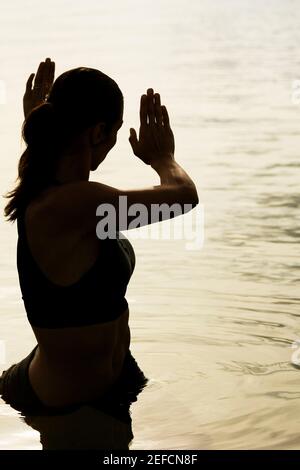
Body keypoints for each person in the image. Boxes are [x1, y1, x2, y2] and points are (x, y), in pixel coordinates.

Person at [0, 57, 198, 414]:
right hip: (68, 405)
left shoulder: (55, 188)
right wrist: (163, 157)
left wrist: (36, 118)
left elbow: (44, 148)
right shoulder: (75, 203)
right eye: (117, 131)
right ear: (97, 132)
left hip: (117, 380)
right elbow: (183, 198)